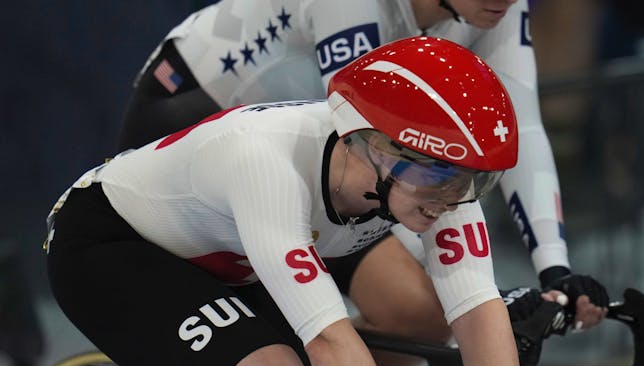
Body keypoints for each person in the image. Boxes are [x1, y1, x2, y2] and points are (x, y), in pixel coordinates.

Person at [47, 37, 597, 366]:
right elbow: (330, 342)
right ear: (375, 147)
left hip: (229, 268)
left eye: (472, 181)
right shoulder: (267, 163)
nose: (454, 197)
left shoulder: (434, 188)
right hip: (111, 247)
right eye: (442, 174)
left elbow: (478, 312)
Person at [117, 0, 611, 344]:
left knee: (419, 318)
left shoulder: (492, 5)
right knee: (265, 344)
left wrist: (554, 269)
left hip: (314, 157)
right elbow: (372, 149)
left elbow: (518, 130)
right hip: (190, 119)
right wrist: (481, 294)